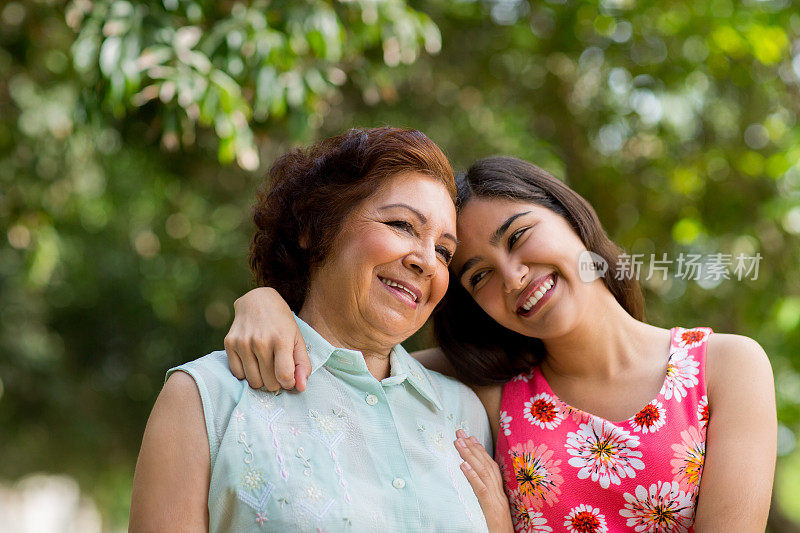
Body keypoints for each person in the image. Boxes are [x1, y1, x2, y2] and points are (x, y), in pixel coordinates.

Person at [224, 156, 777, 532]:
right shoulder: (490, 391)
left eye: (518, 237)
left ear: (571, 217)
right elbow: (351, 359)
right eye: (479, 275)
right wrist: (269, 302)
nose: (513, 277)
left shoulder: (725, 367)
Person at [129, 128, 503, 532]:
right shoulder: (206, 396)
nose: (427, 261)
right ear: (315, 228)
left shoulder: (466, 413)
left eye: (445, 251)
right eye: (402, 225)